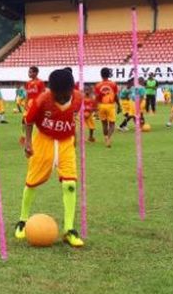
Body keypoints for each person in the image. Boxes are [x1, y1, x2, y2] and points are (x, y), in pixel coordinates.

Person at [14, 69, 84, 248]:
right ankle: (22, 220)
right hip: (43, 141)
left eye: (64, 95)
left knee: (70, 183)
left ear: (72, 89)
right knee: (32, 182)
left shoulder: (78, 98)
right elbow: (28, 121)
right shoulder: (42, 100)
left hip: (66, 143)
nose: (60, 98)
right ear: (50, 90)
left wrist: (74, 137)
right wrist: (28, 142)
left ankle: (69, 229)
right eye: (56, 95)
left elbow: (73, 118)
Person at [94, 67, 120, 148]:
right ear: (109, 74)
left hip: (101, 105)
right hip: (110, 105)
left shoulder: (98, 85)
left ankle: (105, 138)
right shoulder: (113, 84)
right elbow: (115, 95)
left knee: (104, 123)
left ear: (101, 75)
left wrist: (95, 108)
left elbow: (97, 97)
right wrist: (119, 105)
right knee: (112, 124)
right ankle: (108, 138)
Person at [22, 67, 46, 144]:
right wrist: (25, 103)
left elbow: (43, 94)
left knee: (39, 122)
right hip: (29, 105)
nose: (29, 74)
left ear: (36, 73)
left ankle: (40, 138)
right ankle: (27, 139)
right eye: (29, 72)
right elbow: (27, 94)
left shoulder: (40, 82)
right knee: (26, 121)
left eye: (31, 72)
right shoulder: (28, 83)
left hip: (37, 104)